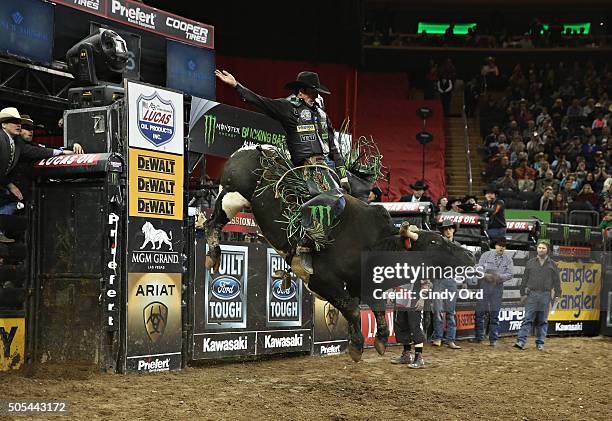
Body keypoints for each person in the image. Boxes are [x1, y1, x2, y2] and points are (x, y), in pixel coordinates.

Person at [215, 69, 349, 273]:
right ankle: (305, 246)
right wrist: (236, 85)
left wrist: (343, 176)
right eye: (312, 92)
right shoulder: (289, 109)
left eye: (316, 93)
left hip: (326, 168)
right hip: (305, 168)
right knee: (323, 202)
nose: (315, 96)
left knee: (343, 203)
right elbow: (260, 101)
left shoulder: (322, 116)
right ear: (301, 92)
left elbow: (333, 148)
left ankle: (328, 249)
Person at [0, 108, 75, 243]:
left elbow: (38, 150)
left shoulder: (18, 144)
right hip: (7, 188)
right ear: (3, 124)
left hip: (8, 188)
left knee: (12, 211)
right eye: (14, 122)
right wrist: (10, 185)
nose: (19, 125)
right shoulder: (2, 139)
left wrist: (65, 150)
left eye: (20, 123)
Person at [514, 240, 561, 350]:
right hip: (532, 294)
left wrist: (558, 295)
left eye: (543, 248)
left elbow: (557, 282)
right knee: (527, 319)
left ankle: (540, 343)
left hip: (546, 294)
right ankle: (521, 341)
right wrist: (522, 294)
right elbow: (524, 279)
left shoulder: (553, 264)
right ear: (537, 249)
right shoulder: (530, 263)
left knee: (543, 320)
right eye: (539, 248)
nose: (541, 250)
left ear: (547, 250)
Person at [471, 238, 514, 346]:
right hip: (485, 285)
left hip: (498, 286)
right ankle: (479, 337)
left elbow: (510, 274)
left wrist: (498, 277)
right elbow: (479, 268)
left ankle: (493, 339)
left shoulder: (508, 259)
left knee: (494, 314)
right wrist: (486, 275)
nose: (501, 247)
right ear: (495, 246)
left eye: (503, 246)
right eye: (500, 245)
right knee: (480, 312)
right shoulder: (486, 255)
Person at [431, 220, 462, 349]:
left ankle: (449, 339)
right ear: (443, 231)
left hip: (450, 280)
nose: (448, 231)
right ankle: (439, 337)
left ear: (453, 230)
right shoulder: (438, 245)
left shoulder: (457, 246)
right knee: (438, 311)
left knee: (450, 311)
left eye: (450, 228)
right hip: (439, 279)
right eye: (446, 229)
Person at [391, 277, 431, 368]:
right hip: (401, 298)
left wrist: (422, 299)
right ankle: (406, 354)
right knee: (402, 325)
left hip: (415, 299)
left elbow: (426, 282)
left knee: (415, 327)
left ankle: (419, 358)